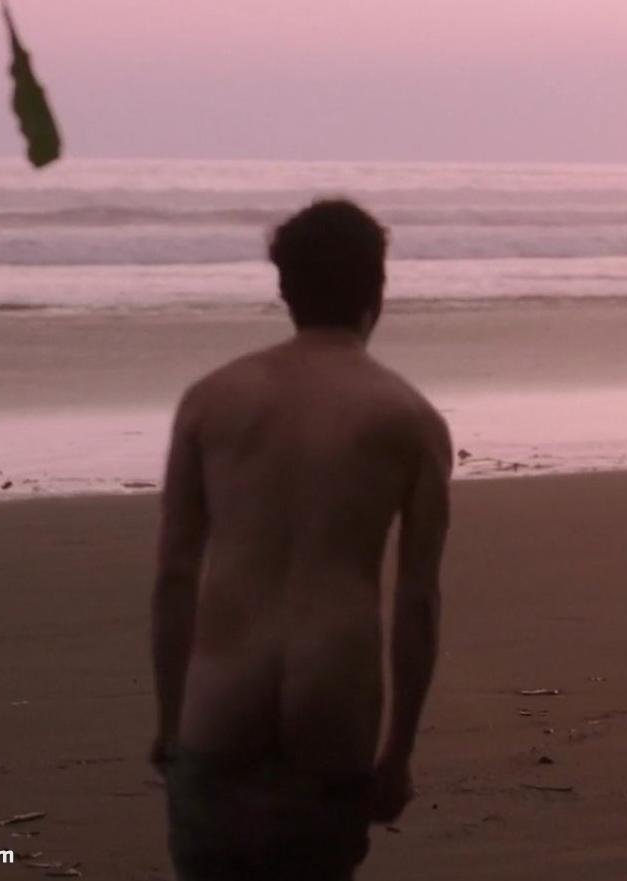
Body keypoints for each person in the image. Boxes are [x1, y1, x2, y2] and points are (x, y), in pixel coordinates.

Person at [150, 199, 453, 881]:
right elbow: (418, 601)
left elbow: (174, 575)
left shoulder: (210, 400)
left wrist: (171, 723)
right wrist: (399, 752)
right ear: (378, 289)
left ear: (284, 289)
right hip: (334, 705)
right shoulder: (410, 418)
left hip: (220, 703)